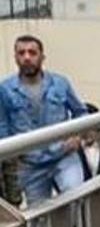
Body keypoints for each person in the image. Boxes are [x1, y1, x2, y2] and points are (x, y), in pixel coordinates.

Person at [0, 35, 89, 206]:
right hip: (30, 164)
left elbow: (81, 113)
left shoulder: (60, 83)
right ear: (16, 58)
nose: (27, 57)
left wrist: (77, 137)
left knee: (76, 199)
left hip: (63, 155)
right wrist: (12, 156)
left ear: (42, 57)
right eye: (21, 53)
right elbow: (2, 126)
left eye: (32, 52)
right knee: (39, 218)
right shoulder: (5, 89)